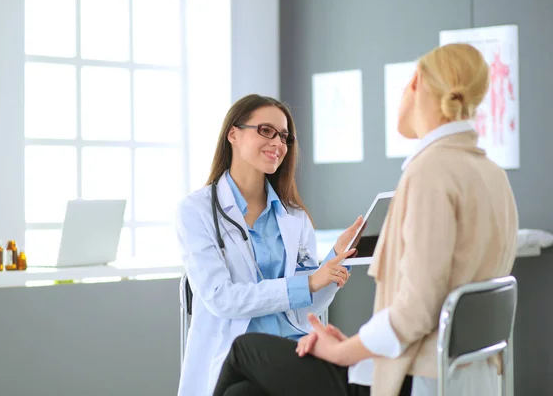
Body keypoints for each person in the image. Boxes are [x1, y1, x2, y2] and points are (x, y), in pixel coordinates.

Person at [212, 43, 519, 396]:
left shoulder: (429, 173)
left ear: (416, 83)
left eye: (283, 135)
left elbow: (416, 311)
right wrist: (362, 345)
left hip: (409, 376)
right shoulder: (492, 173)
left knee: (243, 350)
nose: (278, 144)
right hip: (465, 376)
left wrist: (344, 352)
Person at [176, 94, 363, 396]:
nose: (278, 143)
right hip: (237, 355)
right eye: (266, 130)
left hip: (291, 347)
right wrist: (309, 282)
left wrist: (334, 262)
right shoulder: (196, 210)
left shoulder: (294, 216)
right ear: (233, 134)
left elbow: (307, 305)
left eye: (285, 136)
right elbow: (221, 298)